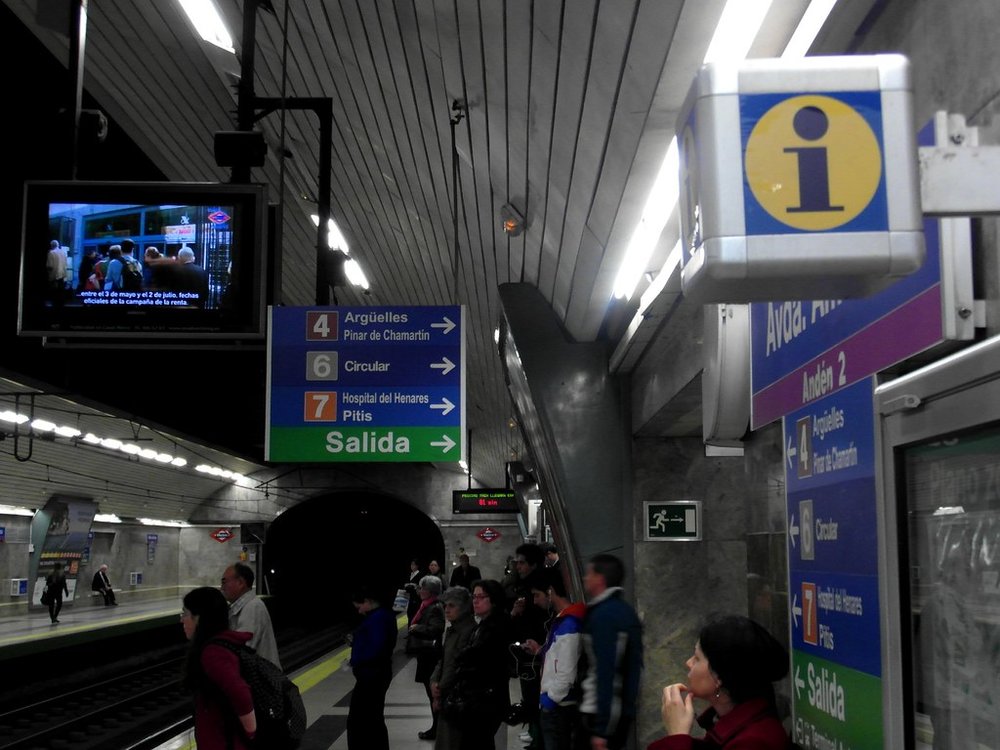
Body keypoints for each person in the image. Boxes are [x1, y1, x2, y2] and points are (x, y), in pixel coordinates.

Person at [647, 615, 790, 749]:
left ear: (718, 677)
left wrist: (677, 734)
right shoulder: (735, 725)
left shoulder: (754, 742)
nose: (688, 663)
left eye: (697, 658)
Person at [180, 586, 257, 750]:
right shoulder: (223, 644)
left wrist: (250, 733)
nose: (182, 620)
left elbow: (241, 693)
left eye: (185, 614)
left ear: (199, 618)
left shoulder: (213, 653)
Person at [580, 554, 643, 750]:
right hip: (614, 713)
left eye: (589, 573)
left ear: (600, 579)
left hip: (598, 712)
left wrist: (602, 730)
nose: (585, 578)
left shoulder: (605, 616)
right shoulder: (623, 611)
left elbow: (607, 671)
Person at [522, 569, 587, 750]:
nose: (535, 601)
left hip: (559, 707)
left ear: (550, 591)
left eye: (537, 595)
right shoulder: (563, 620)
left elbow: (566, 671)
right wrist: (541, 651)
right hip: (557, 704)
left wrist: (549, 701)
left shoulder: (570, 623)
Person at [445, 579, 512, 750]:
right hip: (480, 698)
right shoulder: (483, 625)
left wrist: (463, 660)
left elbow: (479, 659)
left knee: (477, 742)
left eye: (481, 597)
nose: (475, 601)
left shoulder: (497, 626)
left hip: (486, 699)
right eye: (474, 596)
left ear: (494, 599)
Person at [347, 586, 398, 750]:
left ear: (368, 601)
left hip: (371, 675)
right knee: (372, 718)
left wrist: (355, 659)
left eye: (359, 606)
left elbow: (376, 648)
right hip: (376, 674)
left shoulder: (379, 618)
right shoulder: (382, 616)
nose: (359, 611)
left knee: (362, 720)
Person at [510, 543, 549, 750]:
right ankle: (534, 733)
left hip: (537, 651)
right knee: (530, 695)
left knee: (535, 695)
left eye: (522, 563)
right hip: (528, 650)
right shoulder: (522, 586)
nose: (518, 567)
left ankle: (537, 737)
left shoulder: (538, 587)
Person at [430, 586, 476, 750]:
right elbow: (443, 660)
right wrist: (434, 680)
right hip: (447, 693)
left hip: (454, 697)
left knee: (451, 741)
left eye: (451, 606)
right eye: (445, 606)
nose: (446, 610)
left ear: (463, 607)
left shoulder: (467, 630)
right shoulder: (453, 629)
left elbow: (455, 665)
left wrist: (439, 692)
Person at [220, 563, 281, 669]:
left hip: (261, 680)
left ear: (240, 583)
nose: (222, 587)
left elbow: (243, 649)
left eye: (225, 582)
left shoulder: (252, 607)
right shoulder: (244, 606)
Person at [409, 574, 446, 740]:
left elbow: (435, 629)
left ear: (429, 591)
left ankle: (437, 728)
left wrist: (417, 628)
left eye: (422, 588)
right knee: (431, 693)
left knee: (433, 693)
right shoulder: (427, 605)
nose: (420, 590)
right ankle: (437, 727)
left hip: (430, 655)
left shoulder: (435, 607)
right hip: (426, 654)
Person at [406, 558, 428, 624]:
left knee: (415, 616)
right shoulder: (410, 574)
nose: (412, 566)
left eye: (414, 565)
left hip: (416, 599)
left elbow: (421, 586)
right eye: (411, 565)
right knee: (409, 615)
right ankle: (410, 631)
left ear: (417, 566)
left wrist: (414, 586)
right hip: (409, 598)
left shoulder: (420, 574)